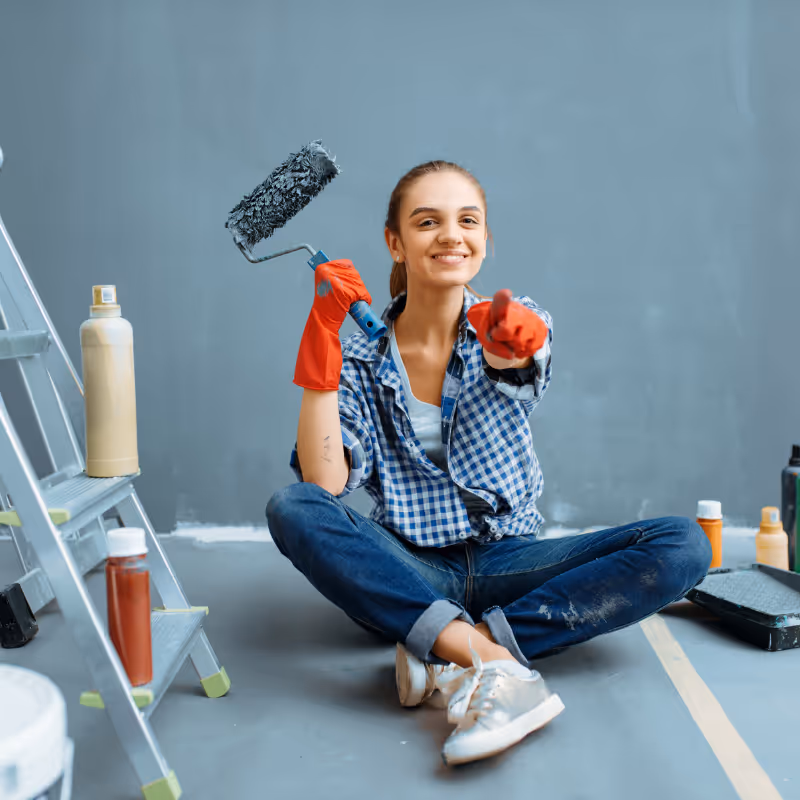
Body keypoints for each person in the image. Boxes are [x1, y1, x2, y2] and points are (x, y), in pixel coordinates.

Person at [266, 160, 711, 767]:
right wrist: (320, 339)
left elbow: (520, 359)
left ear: (484, 240)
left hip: (511, 559)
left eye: (467, 220)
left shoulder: (503, 324)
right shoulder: (360, 360)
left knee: (683, 545)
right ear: (395, 242)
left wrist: (516, 342)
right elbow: (325, 483)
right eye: (428, 222)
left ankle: (445, 648)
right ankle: (497, 664)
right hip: (410, 568)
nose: (451, 234)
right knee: (293, 506)